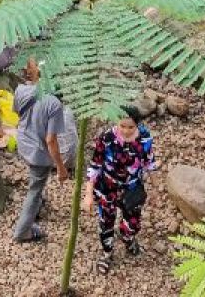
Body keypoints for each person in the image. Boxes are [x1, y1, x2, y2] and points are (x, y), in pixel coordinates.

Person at [13, 58, 76, 243]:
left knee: (35, 180)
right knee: (35, 189)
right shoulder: (53, 103)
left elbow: (18, 113)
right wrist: (61, 168)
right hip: (38, 152)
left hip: (23, 143)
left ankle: (37, 205)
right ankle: (22, 231)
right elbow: (51, 140)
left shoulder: (20, 90)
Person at [83, 109, 154, 274]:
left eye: (130, 127)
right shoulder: (106, 138)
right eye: (122, 126)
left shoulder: (144, 137)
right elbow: (95, 166)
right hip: (107, 188)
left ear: (137, 124)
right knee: (106, 223)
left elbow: (149, 162)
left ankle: (127, 237)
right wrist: (88, 194)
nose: (126, 130)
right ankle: (107, 253)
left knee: (133, 223)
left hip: (132, 188)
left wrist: (156, 186)